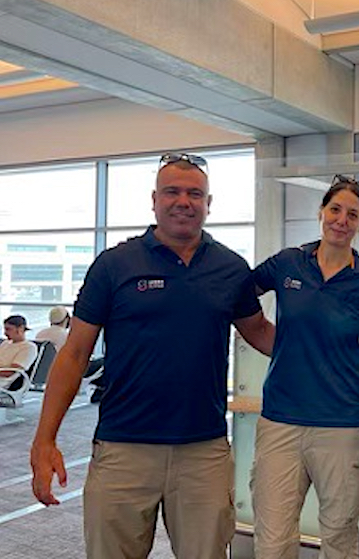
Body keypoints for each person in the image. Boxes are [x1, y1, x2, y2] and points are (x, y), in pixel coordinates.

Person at [30, 152, 274, 559]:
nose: (184, 201)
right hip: (123, 448)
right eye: (172, 192)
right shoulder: (114, 265)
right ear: (154, 200)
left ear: (208, 204)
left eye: (195, 193)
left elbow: (261, 333)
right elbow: (74, 355)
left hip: (203, 451)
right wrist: (44, 440)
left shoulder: (230, 268)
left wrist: (335, 351)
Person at [251, 175, 359, 559]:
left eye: (353, 214)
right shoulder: (288, 262)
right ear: (322, 213)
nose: (342, 220)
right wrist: (268, 340)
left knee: (340, 541)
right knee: (273, 541)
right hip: (281, 421)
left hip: (344, 426)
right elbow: (238, 296)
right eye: (335, 210)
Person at [0, 315, 38, 387]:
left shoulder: (28, 347)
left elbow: (11, 372)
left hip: (4, 382)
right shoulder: (5, 343)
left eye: (8, 329)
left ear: (20, 329)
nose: (5, 333)